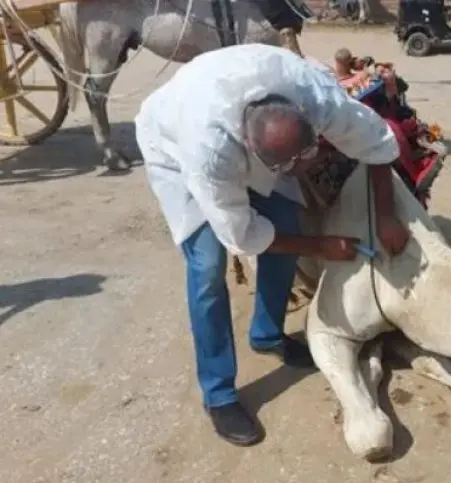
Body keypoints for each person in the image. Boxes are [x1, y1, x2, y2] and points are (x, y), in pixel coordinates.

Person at [134, 44, 410, 446]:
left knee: (284, 218)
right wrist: (321, 247)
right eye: (287, 168)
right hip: (172, 150)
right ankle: (219, 393)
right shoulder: (207, 152)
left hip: (239, 111)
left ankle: (267, 335)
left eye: (309, 154)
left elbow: (377, 141)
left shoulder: (312, 93)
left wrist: (385, 214)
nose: (304, 169)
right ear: (252, 148)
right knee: (207, 266)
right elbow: (242, 236)